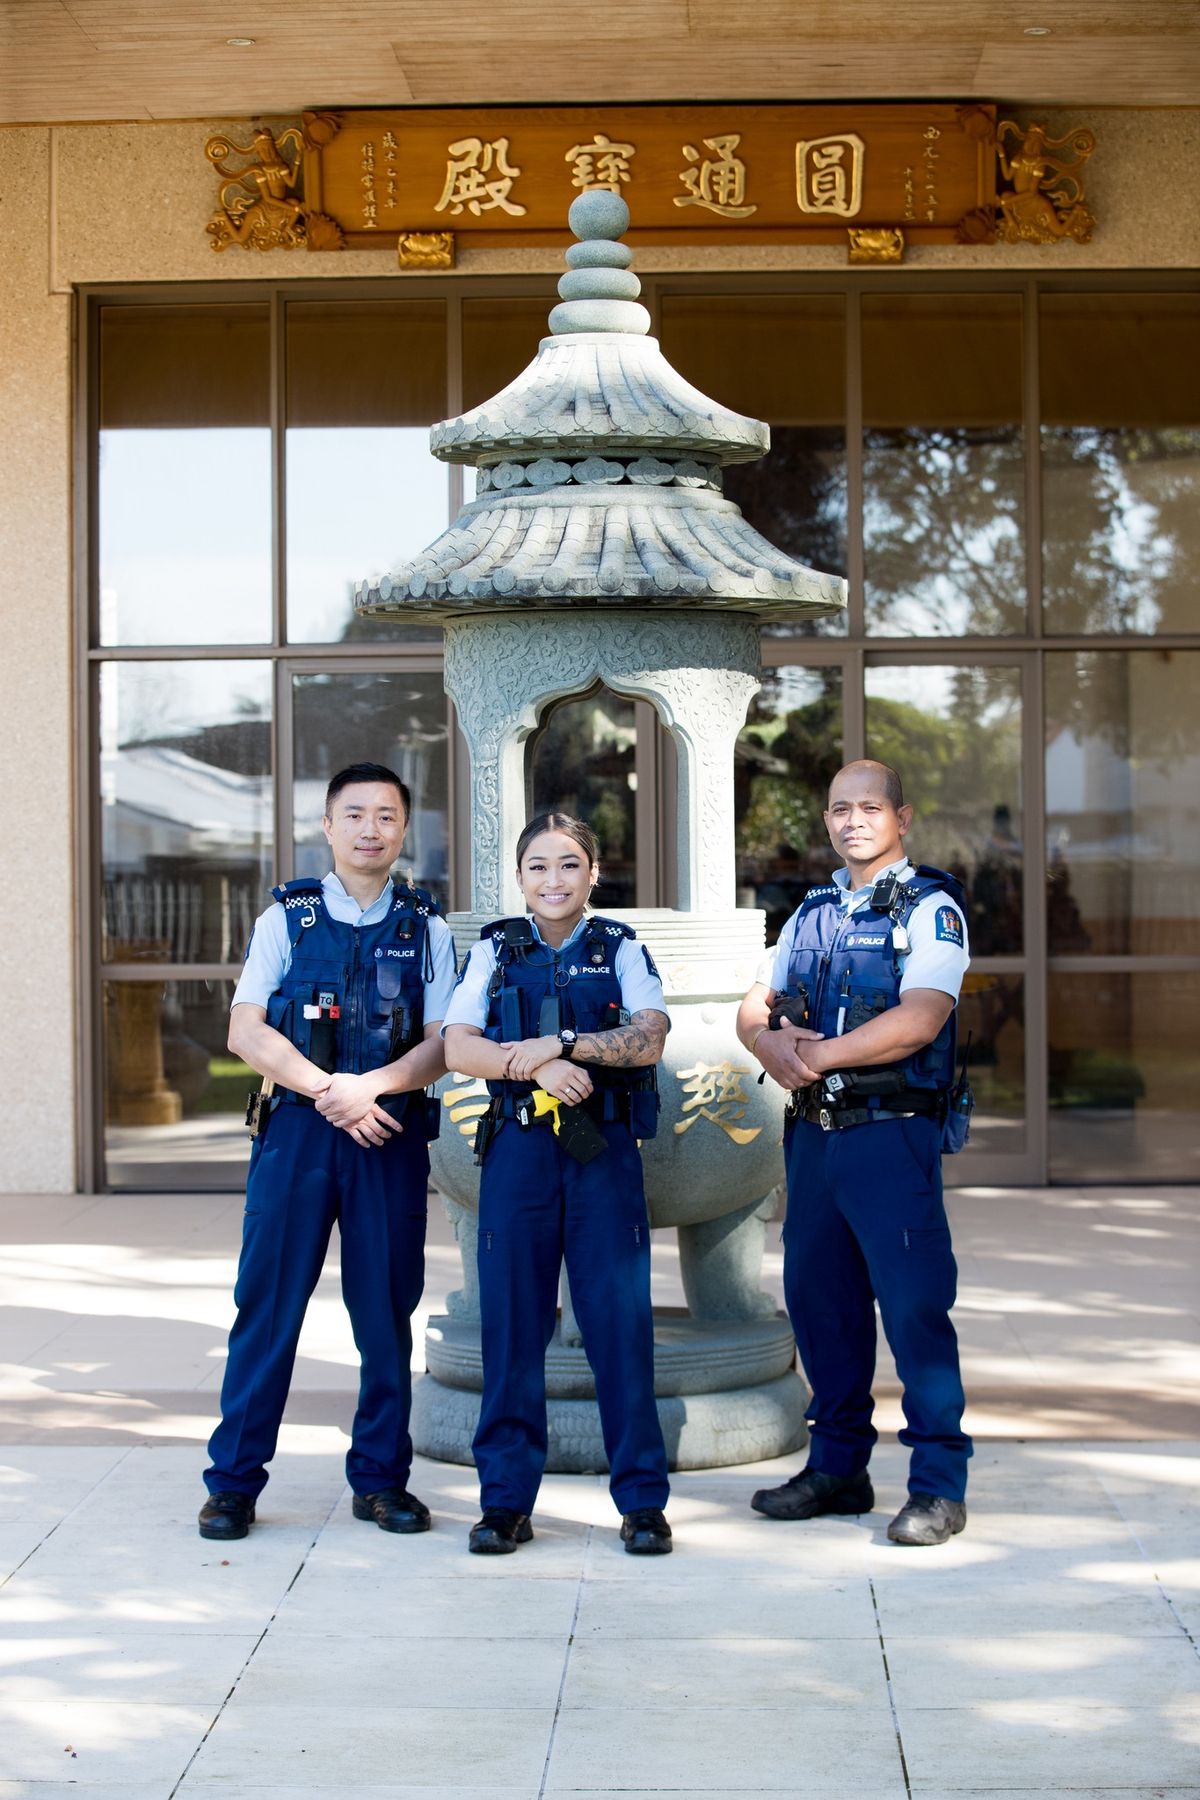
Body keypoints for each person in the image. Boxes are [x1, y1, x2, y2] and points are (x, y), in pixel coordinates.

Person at [198, 763, 457, 1541]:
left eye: (387, 815)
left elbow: (446, 1042)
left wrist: (371, 1088)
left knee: (384, 1315)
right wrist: (327, 1090)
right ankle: (234, 1484)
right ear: (328, 826)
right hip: (299, 1136)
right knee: (267, 1306)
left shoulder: (427, 927)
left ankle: (380, 1481)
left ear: (403, 829)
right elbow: (246, 1031)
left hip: (388, 1136)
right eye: (356, 814)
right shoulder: (288, 918)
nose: (371, 828)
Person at [737, 760, 973, 1547]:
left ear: (901, 818)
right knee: (821, 1306)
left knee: (913, 1308)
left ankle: (938, 1485)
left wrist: (817, 1055)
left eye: (869, 807)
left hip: (889, 1138)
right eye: (840, 809)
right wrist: (772, 1046)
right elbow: (752, 1010)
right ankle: (838, 1469)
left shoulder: (930, 909)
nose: (852, 821)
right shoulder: (809, 913)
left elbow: (920, 1019)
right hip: (814, 1140)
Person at [442, 812, 673, 1557]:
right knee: (511, 1328)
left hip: (600, 1154)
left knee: (619, 1327)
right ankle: (505, 1502)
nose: (553, 880)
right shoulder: (494, 951)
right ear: (519, 878)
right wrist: (534, 1065)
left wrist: (565, 1043)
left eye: (569, 865)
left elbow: (650, 1035)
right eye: (538, 866)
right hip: (518, 1153)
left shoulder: (622, 948)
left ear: (593, 874)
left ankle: (641, 1502)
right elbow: (458, 1044)